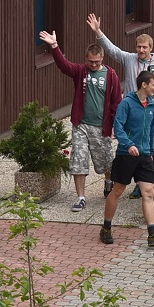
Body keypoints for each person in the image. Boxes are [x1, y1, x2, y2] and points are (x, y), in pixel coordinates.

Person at [87, 12, 154, 197]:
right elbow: (112, 50)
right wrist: (98, 32)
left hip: (148, 111)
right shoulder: (129, 59)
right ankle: (125, 179)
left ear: (151, 48)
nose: (141, 50)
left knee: (147, 145)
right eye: (139, 47)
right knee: (128, 143)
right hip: (130, 110)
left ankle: (142, 183)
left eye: (144, 47)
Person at [37, 31, 121, 211]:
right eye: (90, 61)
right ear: (86, 59)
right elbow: (64, 66)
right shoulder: (81, 71)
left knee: (106, 161)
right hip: (81, 124)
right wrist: (54, 46)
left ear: (102, 58)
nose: (93, 64)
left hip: (101, 127)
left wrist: (115, 125)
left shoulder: (111, 75)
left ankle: (108, 182)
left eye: (96, 62)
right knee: (79, 160)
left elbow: (116, 102)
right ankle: (81, 197)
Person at [99, 70, 154, 247]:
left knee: (149, 192)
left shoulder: (152, 105)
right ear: (144, 85)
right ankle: (106, 228)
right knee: (117, 191)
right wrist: (128, 145)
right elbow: (118, 127)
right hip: (126, 155)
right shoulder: (127, 104)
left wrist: (150, 151)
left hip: (145, 155)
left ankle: (152, 233)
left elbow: (151, 130)